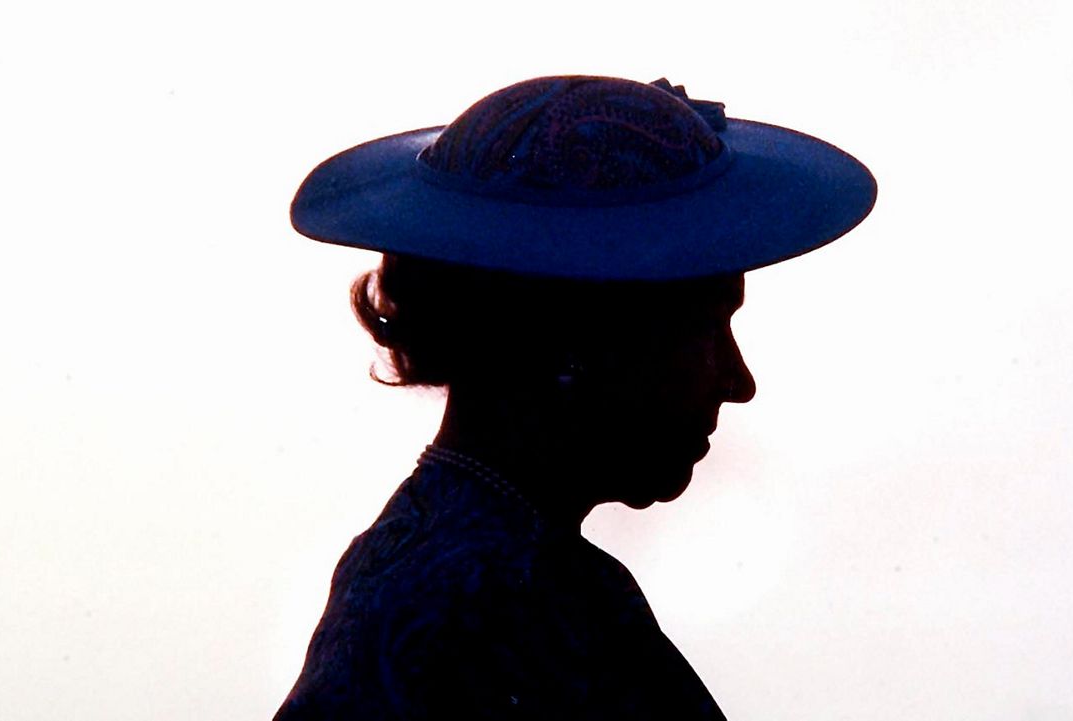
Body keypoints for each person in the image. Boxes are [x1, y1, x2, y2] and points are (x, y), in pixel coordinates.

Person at [273, 74, 876, 720]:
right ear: (576, 341)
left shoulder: (416, 562)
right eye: (705, 330)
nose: (737, 380)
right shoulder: (519, 603)